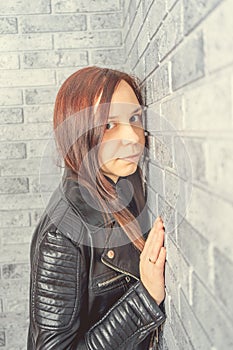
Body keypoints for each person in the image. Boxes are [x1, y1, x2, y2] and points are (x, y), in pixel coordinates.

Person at [27, 66, 166, 349]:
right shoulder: (62, 235)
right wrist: (146, 297)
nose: (133, 137)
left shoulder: (122, 183)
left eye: (135, 118)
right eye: (108, 125)